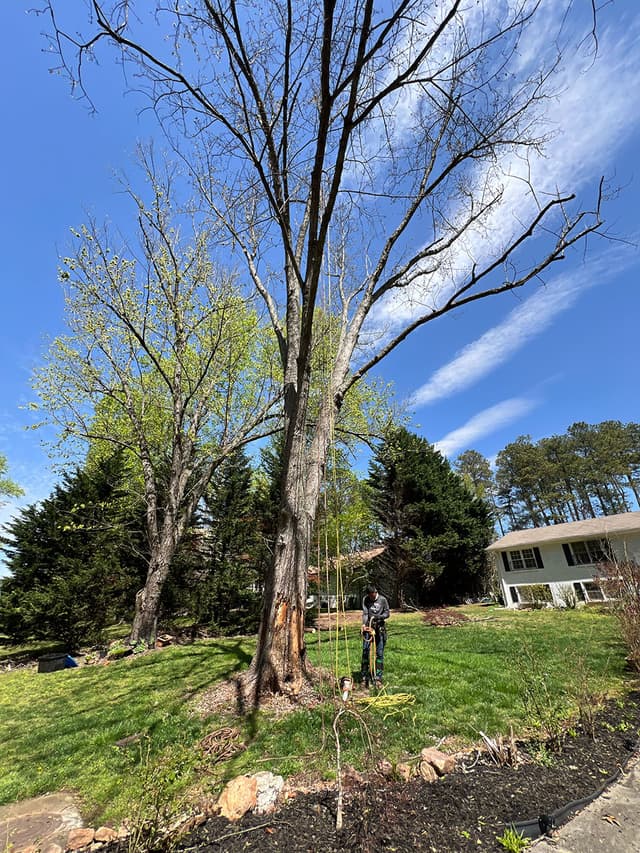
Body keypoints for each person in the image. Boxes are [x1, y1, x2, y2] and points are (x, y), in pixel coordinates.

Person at [360, 584, 390, 688]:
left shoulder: (383, 600)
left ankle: (378, 678)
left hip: (379, 629)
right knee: (365, 652)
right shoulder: (365, 599)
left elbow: (387, 613)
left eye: (373, 595)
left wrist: (379, 617)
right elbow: (365, 613)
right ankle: (364, 677)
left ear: (375, 592)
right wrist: (364, 625)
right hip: (368, 629)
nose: (372, 598)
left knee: (379, 653)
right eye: (370, 596)